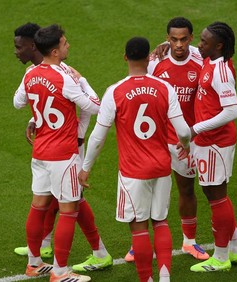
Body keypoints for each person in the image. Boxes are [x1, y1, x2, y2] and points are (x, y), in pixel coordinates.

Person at [78, 37, 191, 282]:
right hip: (162, 167)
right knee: (160, 222)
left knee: (139, 227)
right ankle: (164, 277)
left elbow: (98, 137)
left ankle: (145, 279)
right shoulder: (165, 88)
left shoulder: (115, 91)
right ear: (147, 58)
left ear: (125, 57)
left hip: (133, 172)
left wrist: (85, 168)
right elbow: (183, 130)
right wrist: (186, 146)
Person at [12, 22, 113, 273]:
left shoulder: (30, 74)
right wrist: (84, 82)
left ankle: (34, 263)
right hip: (65, 152)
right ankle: (60, 271)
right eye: (65, 43)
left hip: (40, 152)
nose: (68, 45)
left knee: (39, 206)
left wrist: (36, 117)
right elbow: (97, 107)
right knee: (69, 209)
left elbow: (19, 102)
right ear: (55, 51)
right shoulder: (66, 77)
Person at [124, 17, 209, 263]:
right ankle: (138, 243)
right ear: (167, 38)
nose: (179, 44)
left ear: (191, 38)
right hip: (157, 139)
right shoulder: (155, 61)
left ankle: (190, 242)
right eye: (173, 39)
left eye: (183, 39)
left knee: (186, 189)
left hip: (186, 140)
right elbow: (137, 88)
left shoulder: (200, 60)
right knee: (147, 190)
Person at [187, 22, 237, 272]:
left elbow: (231, 112)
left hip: (215, 143)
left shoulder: (221, 71)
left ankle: (221, 257)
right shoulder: (209, 60)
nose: (198, 45)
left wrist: (196, 128)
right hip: (208, 142)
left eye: (203, 42)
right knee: (215, 196)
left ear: (218, 46)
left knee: (217, 197)